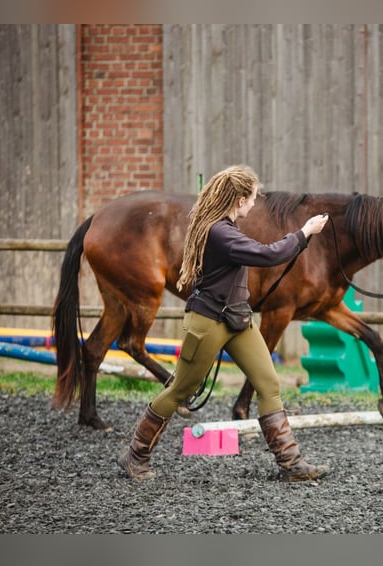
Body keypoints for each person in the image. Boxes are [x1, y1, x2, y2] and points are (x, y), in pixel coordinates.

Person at [118, 165, 331, 482]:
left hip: (237, 318)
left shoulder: (226, 227)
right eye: (252, 198)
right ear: (240, 199)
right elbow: (267, 254)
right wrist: (304, 233)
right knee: (180, 390)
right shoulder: (220, 232)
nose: (254, 204)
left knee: (268, 383)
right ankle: (136, 455)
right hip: (208, 322)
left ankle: (292, 464)